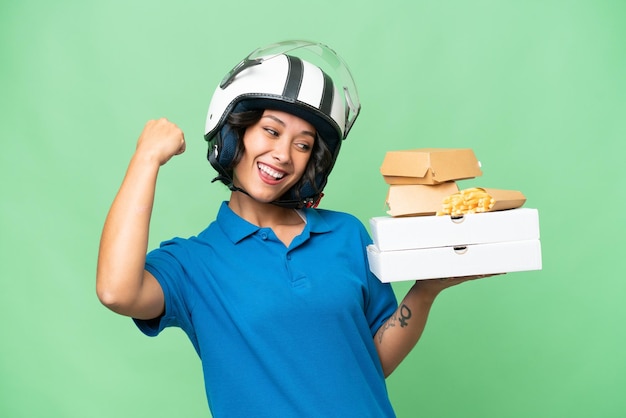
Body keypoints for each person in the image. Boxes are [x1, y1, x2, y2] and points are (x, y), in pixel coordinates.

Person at [96, 40, 491, 418]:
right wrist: (146, 158)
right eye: (270, 130)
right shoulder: (193, 263)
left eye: (303, 145)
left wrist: (425, 291)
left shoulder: (346, 235)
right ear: (235, 134)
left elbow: (371, 363)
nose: (283, 155)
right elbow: (116, 291)